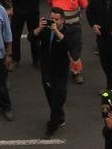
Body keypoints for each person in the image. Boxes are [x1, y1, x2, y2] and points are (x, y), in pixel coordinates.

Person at [46, 0, 89, 83]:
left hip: (74, 26)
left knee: (75, 50)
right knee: (57, 49)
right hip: (57, 27)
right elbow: (50, 3)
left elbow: (84, 5)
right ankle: (58, 71)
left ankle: (77, 72)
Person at [36, 8, 71, 137]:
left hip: (60, 72)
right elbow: (31, 37)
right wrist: (39, 28)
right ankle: (59, 117)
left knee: (58, 99)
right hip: (46, 70)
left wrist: (56, 31)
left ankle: (51, 127)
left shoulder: (67, 31)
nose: (54, 22)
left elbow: (69, 45)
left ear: (63, 20)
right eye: (52, 19)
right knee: (50, 97)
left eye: (57, 19)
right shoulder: (45, 30)